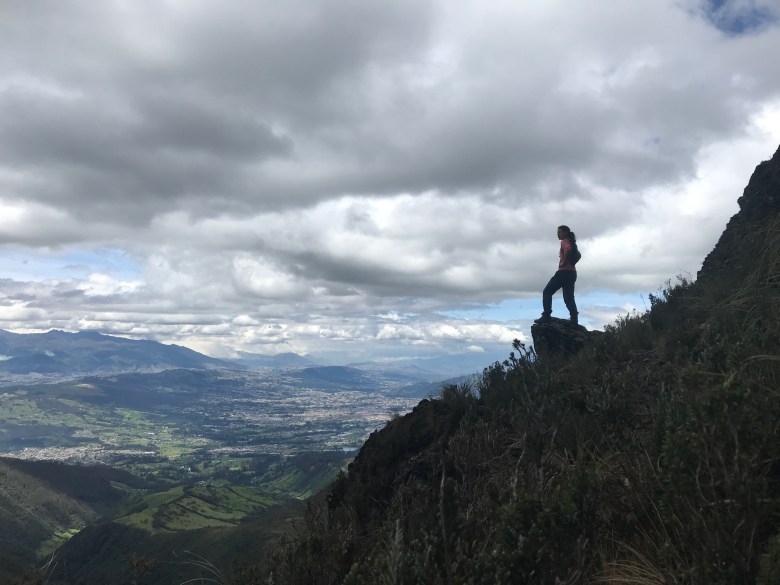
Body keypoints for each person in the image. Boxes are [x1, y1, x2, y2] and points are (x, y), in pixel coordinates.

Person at [534, 225, 578, 325]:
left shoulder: (564, 241)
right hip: (572, 273)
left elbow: (567, 249)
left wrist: (564, 262)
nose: (558, 234)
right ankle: (574, 319)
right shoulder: (573, 242)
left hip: (563, 272)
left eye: (559, 232)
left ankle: (546, 315)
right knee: (569, 297)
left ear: (565, 232)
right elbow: (578, 254)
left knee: (547, 292)